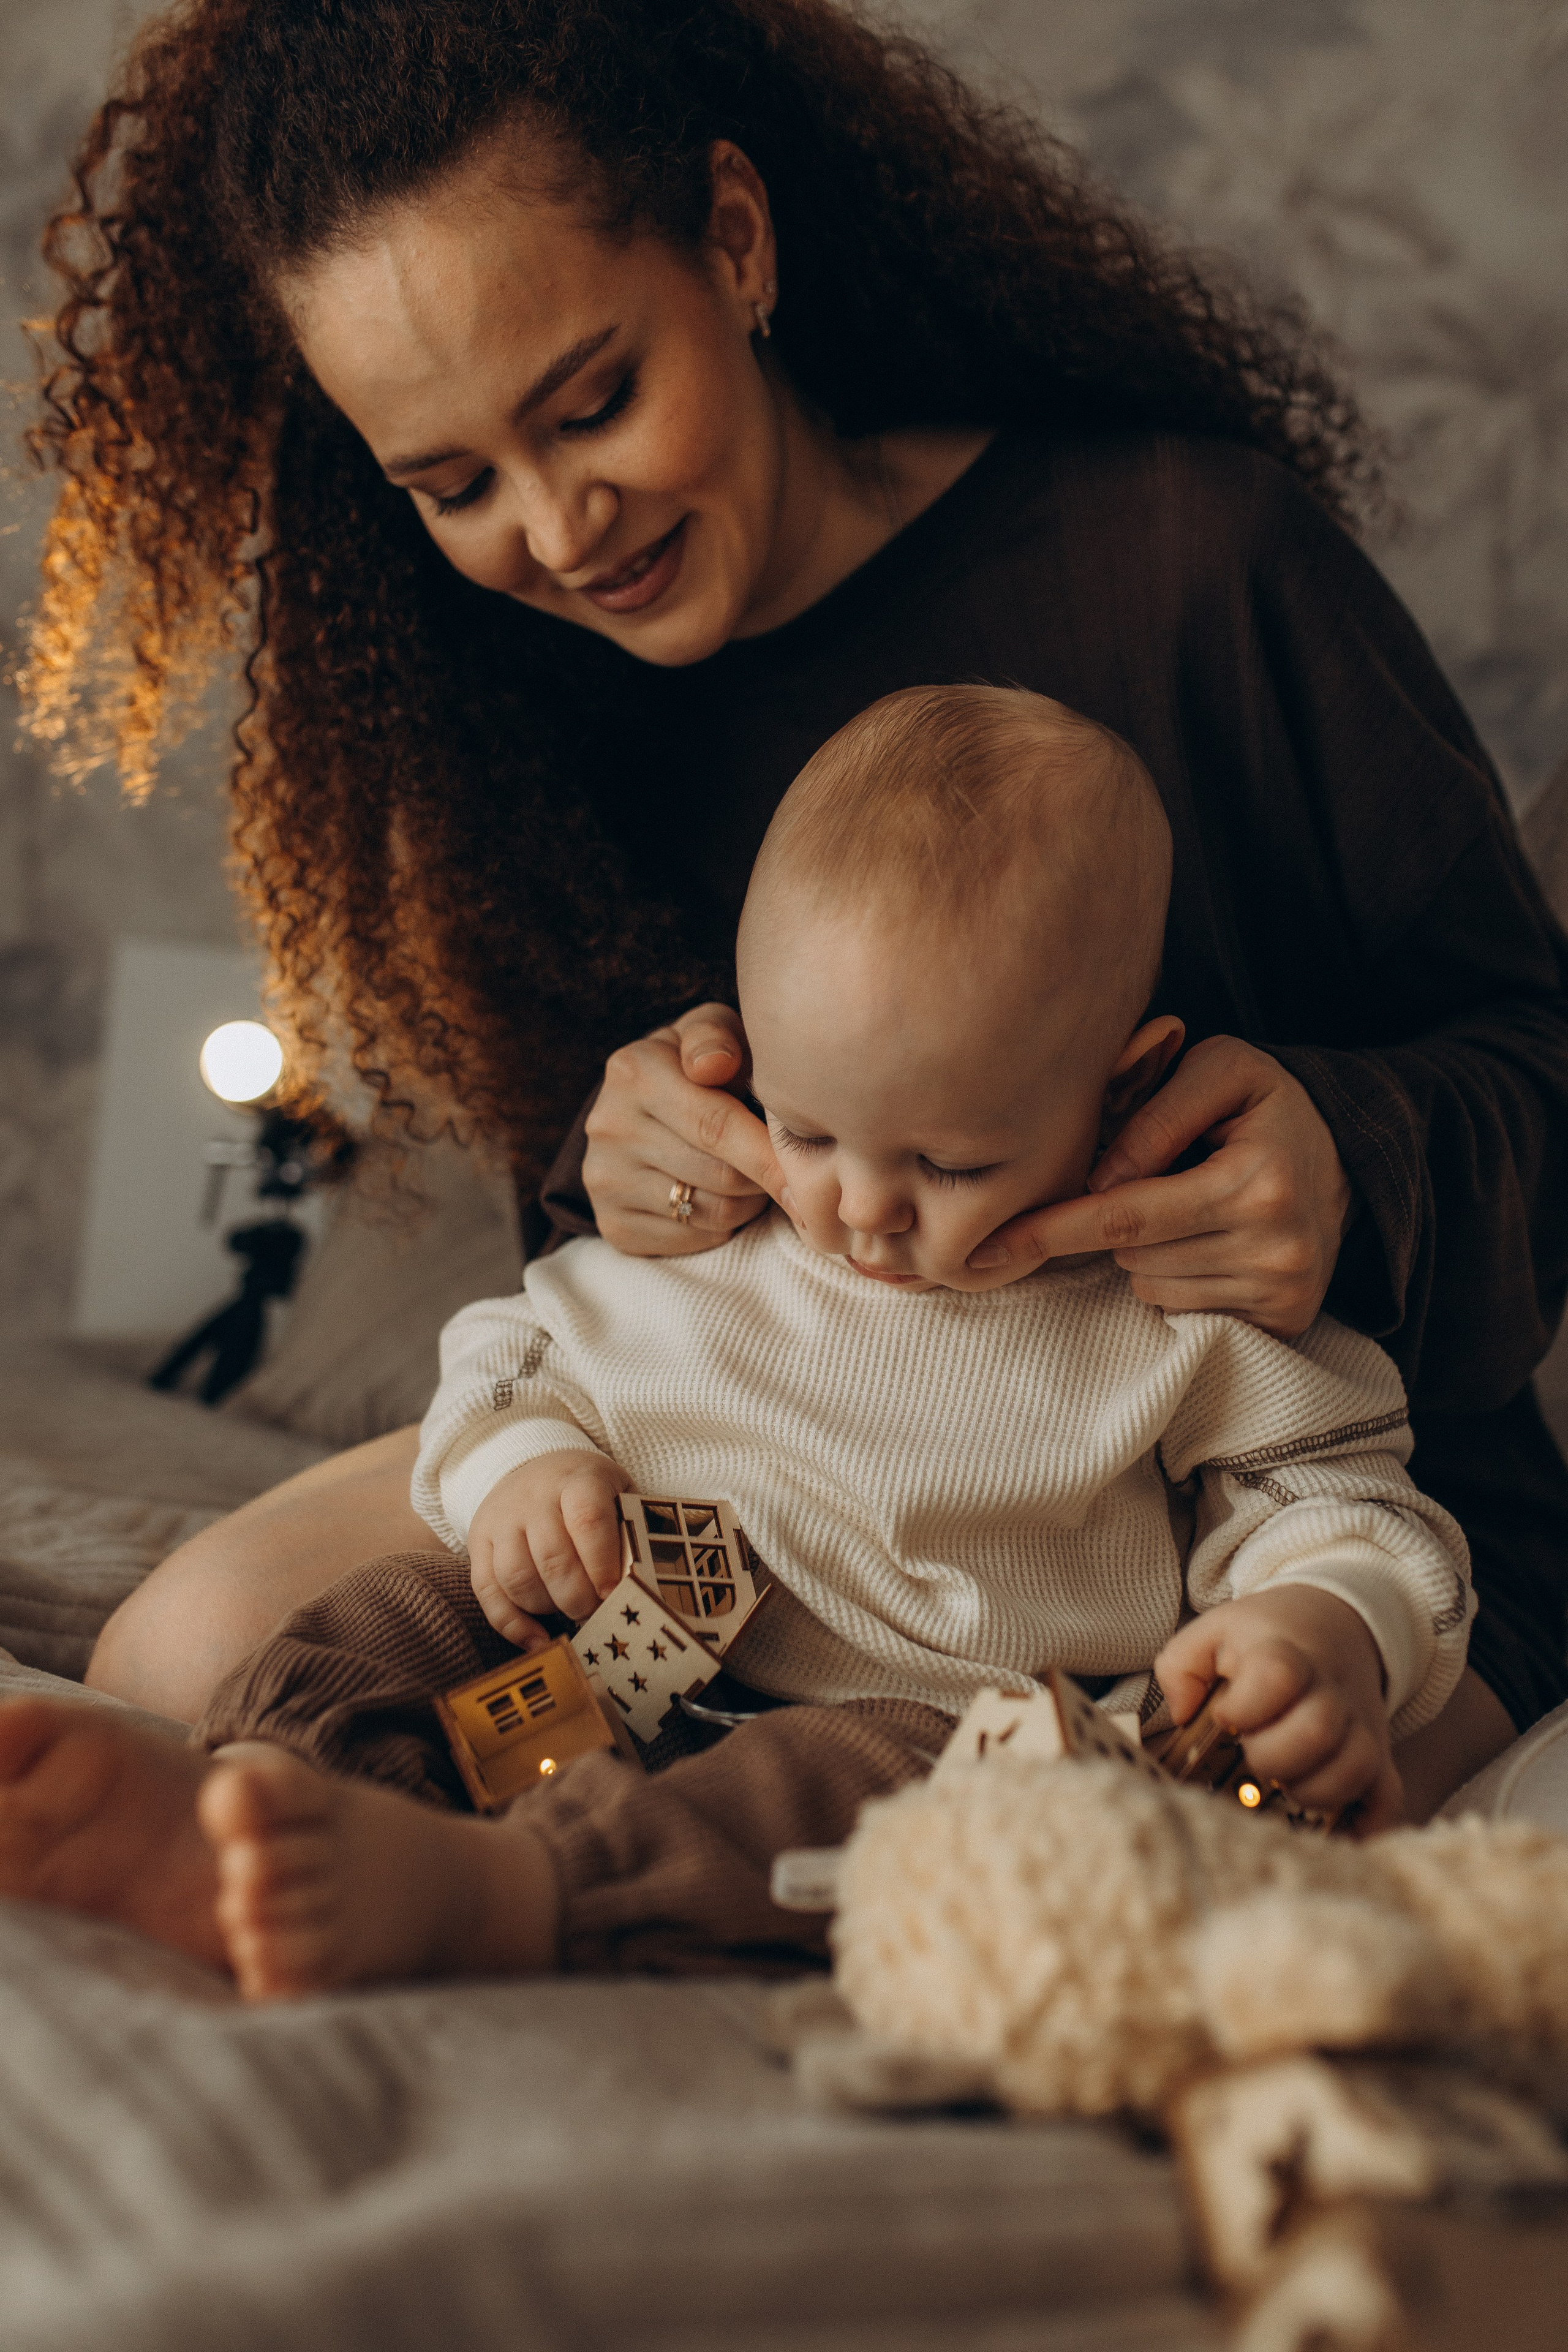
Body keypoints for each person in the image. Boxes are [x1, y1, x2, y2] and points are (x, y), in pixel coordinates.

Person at [23, 0, 1566, 1808]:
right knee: (188, 1661)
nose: (561, 529)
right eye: (452, 484)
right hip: (767, 1505)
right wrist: (613, 1174)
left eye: (593, 403)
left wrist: (1348, 1161)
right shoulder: (510, 700)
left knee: (1145, 1808)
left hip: (1242, 1521)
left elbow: (1535, 1065)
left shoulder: (1190, 563)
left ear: (735, 242)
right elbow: (625, 1312)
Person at [0, 687, 1474, 1997]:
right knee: (392, 1616)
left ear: (1124, 1081)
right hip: (595, 1682)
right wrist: (527, 1473)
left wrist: (1326, 1623)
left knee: (866, 1799)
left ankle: (502, 1894)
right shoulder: (729, 1229)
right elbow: (508, 1360)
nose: (858, 1209)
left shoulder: (1176, 1310)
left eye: (949, 1163)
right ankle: (256, 1800)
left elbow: (1344, 1505)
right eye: (812, 1126)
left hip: (911, 1725)